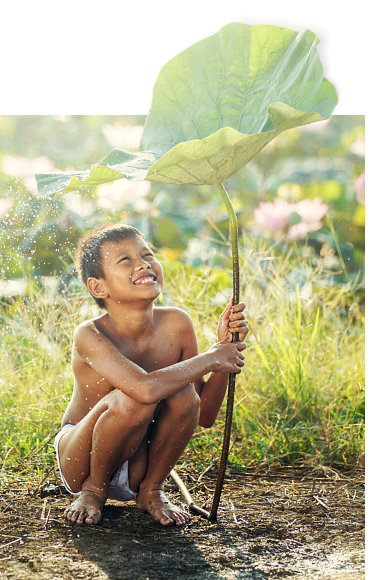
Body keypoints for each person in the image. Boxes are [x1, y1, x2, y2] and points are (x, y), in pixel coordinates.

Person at [55, 224, 249, 527]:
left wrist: (226, 348)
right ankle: (94, 492)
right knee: (135, 398)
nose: (143, 263)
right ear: (98, 288)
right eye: (125, 260)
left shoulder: (177, 324)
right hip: (82, 457)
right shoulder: (89, 333)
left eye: (147, 255)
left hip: (139, 457)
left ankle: (151, 490)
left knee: (183, 393)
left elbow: (204, 413)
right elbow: (143, 390)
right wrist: (211, 357)